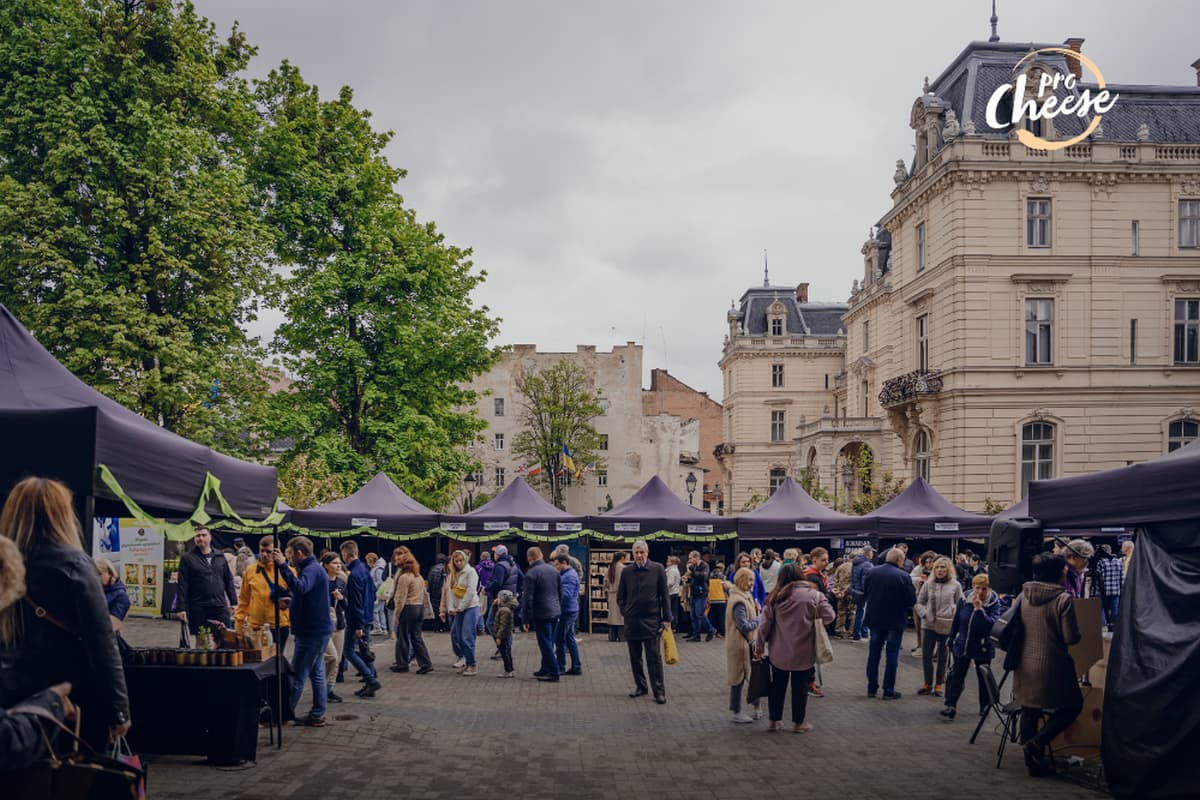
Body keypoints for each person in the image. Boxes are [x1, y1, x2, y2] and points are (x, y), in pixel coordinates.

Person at [0, 478, 130, 749]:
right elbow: (102, 642)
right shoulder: (73, 563)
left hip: (11, 700)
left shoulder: (5, 563)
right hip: (69, 702)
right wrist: (118, 710)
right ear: (60, 514)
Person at [1014, 554, 1083, 777]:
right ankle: (1037, 743)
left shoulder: (1023, 595)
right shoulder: (1063, 599)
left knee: (1029, 708)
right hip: (1053, 664)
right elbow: (1071, 637)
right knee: (1072, 706)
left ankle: (1033, 764)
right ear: (1058, 573)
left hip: (1024, 661)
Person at [754, 563, 836, 732]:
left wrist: (759, 645)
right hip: (804, 651)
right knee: (800, 688)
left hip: (779, 651)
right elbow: (830, 616)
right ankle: (799, 723)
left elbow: (764, 626)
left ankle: (774, 721)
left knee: (777, 686)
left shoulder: (775, 597)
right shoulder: (815, 595)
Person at [274, 536, 333, 727]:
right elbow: (308, 595)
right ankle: (317, 714)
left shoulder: (312, 569)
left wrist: (283, 566)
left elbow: (301, 588)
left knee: (297, 674)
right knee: (316, 673)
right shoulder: (312, 569)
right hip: (316, 630)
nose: (288, 557)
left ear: (299, 553)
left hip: (311, 633)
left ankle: (283, 714)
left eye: (289, 553)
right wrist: (291, 603)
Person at [940, 573, 1002, 721]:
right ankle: (951, 705)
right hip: (963, 643)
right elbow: (957, 620)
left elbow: (991, 625)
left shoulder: (994, 603)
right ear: (973, 587)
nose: (979, 592)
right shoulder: (965, 597)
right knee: (957, 675)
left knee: (983, 677)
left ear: (989, 589)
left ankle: (984, 705)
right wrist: (950, 638)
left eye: (984, 589)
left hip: (982, 646)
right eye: (977, 588)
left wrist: (979, 610)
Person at [617, 541, 670, 704]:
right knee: (635, 657)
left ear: (647, 553)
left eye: (642, 552)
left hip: (651, 620)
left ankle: (659, 691)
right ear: (633, 554)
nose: (639, 555)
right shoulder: (627, 571)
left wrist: (667, 618)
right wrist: (625, 611)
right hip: (632, 621)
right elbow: (621, 596)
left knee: (654, 658)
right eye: (636, 552)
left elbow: (664, 595)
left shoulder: (658, 569)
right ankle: (640, 686)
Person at [864, 547, 917, 700]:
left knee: (873, 654)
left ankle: (871, 688)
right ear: (900, 560)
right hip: (895, 621)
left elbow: (866, 592)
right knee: (892, 655)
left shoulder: (872, 572)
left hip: (874, 619)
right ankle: (888, 690)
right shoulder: (903, 576)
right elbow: (911, 600)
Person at [234, 536, 293, 651]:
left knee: (277, 661)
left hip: (279, 625)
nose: (264, 554)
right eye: (262, 551)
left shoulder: (287, 571)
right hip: (256, 626)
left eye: (268, 552)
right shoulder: (251, 570)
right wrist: (239, 624)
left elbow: (296, 596)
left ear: (277, 551)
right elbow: (244, 599)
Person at [915, 556, 963, 697]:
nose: (940, 570)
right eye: (937, 567)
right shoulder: (928, 584)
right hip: (929, 625)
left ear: (948, 569)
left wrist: (953, 615)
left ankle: (939, 684)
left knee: (943, 656)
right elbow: (919, 602)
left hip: (946, 625)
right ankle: (927, 683)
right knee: (926, 655)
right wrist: (925, 614)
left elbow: (960, 604)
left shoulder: (956, 585)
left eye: (943, 567)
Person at [178, 526, 237, 634]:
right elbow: (183, 584)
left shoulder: (219, 556)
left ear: (210, 537)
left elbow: (228, 580)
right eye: (198, 536)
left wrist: (233, 602)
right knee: (202, 640)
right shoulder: (188, 558)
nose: (201, 538)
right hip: (198, 607)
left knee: (225, 638)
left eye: (204, 535)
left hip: (219, 605)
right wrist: (181, 608)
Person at [339, 541, 380, 692]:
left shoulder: (354, 575)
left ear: (347, 554)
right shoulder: (364, 570)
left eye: (342, 555)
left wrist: (358, 625)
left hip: (357, 618)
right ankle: (371, 679)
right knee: (364, 648)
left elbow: (356, 602)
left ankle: (371, 679)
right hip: (367, 616)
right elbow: (373, 592)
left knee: (349, 651)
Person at [725, 567, 762, 723]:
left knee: (752, 677)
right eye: (749, 580)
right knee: (738, 679)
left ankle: (755, 707)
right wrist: (760, 619)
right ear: (741, 580)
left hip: (745, 645)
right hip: (740, 645)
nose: (752, 583)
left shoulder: (744, 596)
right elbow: (744, 625)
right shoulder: (738, 601)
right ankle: (737, 711)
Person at [522, 547, 562, 682]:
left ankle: (554, 671)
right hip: (555, 611)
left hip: (542, 612)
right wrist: (559, 607)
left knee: (545, 643)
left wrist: (525, 619)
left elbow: (527, 598)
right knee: (549, 642)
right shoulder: (554, 570)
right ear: (541, 555)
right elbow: (559, 592)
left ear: (529, 558)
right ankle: (544, 668)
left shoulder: (531, 574)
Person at [390, 552, 433, 678]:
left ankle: (402, 664)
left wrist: (397, 614)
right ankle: (426, 664)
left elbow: (400, 598)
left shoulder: (404, 577)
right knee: (416, 637)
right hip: (419, 608)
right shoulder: (418, 576)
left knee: (402, 637)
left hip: (408, 608)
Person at [443, 550, 480, 675]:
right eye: (456, 561)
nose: (458, 563)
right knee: (458, 636)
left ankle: (472, 664)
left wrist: (461, 607)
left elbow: (470, 591)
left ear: (465, 560)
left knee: (467, 636)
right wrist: (450, 608)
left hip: (471, 607)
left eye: (460, 560)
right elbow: (450, 593)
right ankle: (466, 662)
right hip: (458, 609)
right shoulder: (453, 574)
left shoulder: (471, 572)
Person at [320, 552, 348, 703]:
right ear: (325, 565)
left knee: (336, 660)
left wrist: (341, 598)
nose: (338, 566)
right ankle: (321, 688)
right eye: (334, 563)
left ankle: (329, 690)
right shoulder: (321, 581)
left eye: (339, 563)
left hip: (339, 623)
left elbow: (346, 605)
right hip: (324, 625)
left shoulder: (342, 581)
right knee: (331, 657)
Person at [553, 553, 581, 676]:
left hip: (566, 612)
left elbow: (566, 595)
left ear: (564, 563)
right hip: (570, 610)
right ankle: (576, 666)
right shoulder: (568, 574)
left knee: (559, 639)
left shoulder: (568, 576)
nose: (556, 567)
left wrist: (553, 598)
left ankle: (561, 666)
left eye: (557, 565)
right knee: (570, 639)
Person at [684, 550, 714, 641]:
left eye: (690, 558)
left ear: (696, 557)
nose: (689, 560)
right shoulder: (694, 567)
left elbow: (703, 577)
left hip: (701, 593)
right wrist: (687, 580)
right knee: (693, 615)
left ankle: (710, 630)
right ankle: (696, 635)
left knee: (700, 614)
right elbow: (694, 578)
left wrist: (692, 570)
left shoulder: (704, 566)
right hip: (694, 592)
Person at [910, 551, 936, 653]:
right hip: (918, 599)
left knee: (929, 625)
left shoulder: (937, 570)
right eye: (927, 562)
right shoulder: (918, 569)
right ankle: (920, 644)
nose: (929, 564)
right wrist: (919, 579)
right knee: (918, 623)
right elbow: (910, 578)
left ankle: (929, 648)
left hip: (932, 601)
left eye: (931, 561)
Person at [1093, 544, 1123, 630]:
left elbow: (1097, 577)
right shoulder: (1118, 561)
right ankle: (1113, 626)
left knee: (1101, 610)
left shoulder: (1100, 562)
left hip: (1102, 591)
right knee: (1115, 609)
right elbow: (1122, 577)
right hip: (1115, 590)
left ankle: (1104, 627)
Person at [96, 558, 130, 631]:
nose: (96, 578)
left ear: (109, 573)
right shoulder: (95, 590)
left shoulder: (120, 596)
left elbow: (113, 623)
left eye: (99, 574)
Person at [850, 546, 874, 640]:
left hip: (856, 591)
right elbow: (866, 581)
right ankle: (858, 635)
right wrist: (869, 593)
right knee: (862, 614)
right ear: (868, 553)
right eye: (872, 552)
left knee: (859, 612)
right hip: (863, 593)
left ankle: (860, 634)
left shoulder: (856, 563)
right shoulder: (867, 565)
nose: (873, 554)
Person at [492, 590, 518, 678]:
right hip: (505, 634)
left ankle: (508, 670)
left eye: (498, 598)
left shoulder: (504, 610)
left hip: (502, 635)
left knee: (505, 653)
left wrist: (498, 637)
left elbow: (503, 625)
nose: (497, 599)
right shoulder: (505, 608)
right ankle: (510, 669)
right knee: (507, 651)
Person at [604, 551, 626, 641]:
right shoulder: (623, 568)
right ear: (622, 558)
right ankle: (622, 636)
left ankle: (612, 636)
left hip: (611, 594)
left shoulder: (610, 568)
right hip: (621, 594)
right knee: (621, 617)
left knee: (612, 616)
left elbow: (605, 582)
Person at [831, 554, 855, 638]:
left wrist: (837, 591)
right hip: (851, 593)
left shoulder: (840, 567)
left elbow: (835, 579)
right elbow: (854, 581)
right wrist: (846, 590)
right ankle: (851, 631)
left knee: (841, 611)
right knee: (852, 612)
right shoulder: (855, 567)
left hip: (840, 592)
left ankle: (839, 630)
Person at [426, 553, 448, 633]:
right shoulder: (445, 569)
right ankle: (443, 626)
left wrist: (428, 591)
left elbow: (428, 581)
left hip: (433, 592)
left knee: (435, 610)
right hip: (441, 592)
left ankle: (436, 626)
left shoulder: (432, 569)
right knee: (442, 609)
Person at [707, 563, 727, 638]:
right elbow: (725, 588)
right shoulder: (723, 577)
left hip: (712, 599)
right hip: (721, 598)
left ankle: (716, 631)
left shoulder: (710, 576)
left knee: (714, 617)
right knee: (721, 618)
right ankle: (722, 632)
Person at [665, 554, 682, 631]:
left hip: (670, 593)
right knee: (673, 610)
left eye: (668, 561)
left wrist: (663, 586)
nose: (666, 562)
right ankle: (673, 626)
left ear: (671, 562)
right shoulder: (675, 570)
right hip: (675, 592)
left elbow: (670, 582)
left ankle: (672, 626)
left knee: (670, 611)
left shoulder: (672, 570)